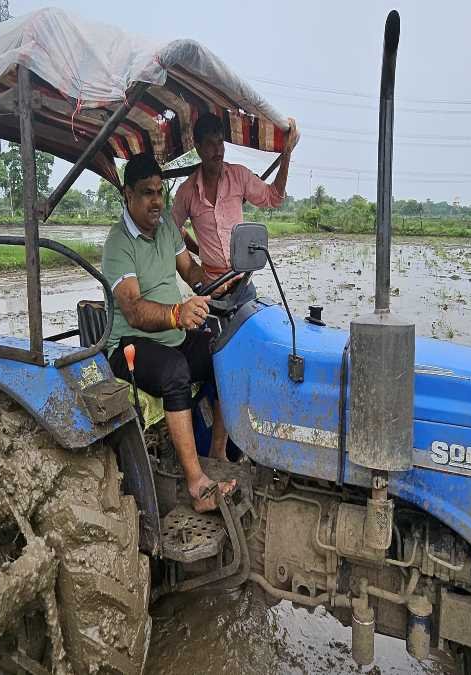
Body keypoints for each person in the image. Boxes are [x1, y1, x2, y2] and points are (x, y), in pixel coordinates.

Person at [103, 152, 236, 513]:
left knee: (223, 350)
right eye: (147, 193)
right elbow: (133, 311)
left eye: (160, 192)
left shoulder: (165, 229)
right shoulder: (118, 244)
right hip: (130, 345)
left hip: (171, 335)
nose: (157, 201)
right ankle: (196, 484)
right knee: (175, 371)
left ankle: (218, 454)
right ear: (127, 195)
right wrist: (178, 313)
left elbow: (190, 271)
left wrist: (216, 284)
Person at [171, 113, 299, 302]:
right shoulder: (187, 192)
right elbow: (172, 232)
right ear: (197, 147)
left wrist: (286, 154)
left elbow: (275, 198)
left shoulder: (239, 176)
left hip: (243, 284)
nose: (218, 150)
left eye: (220, 142)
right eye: (210, 144)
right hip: (211, 289)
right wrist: (197, 256)